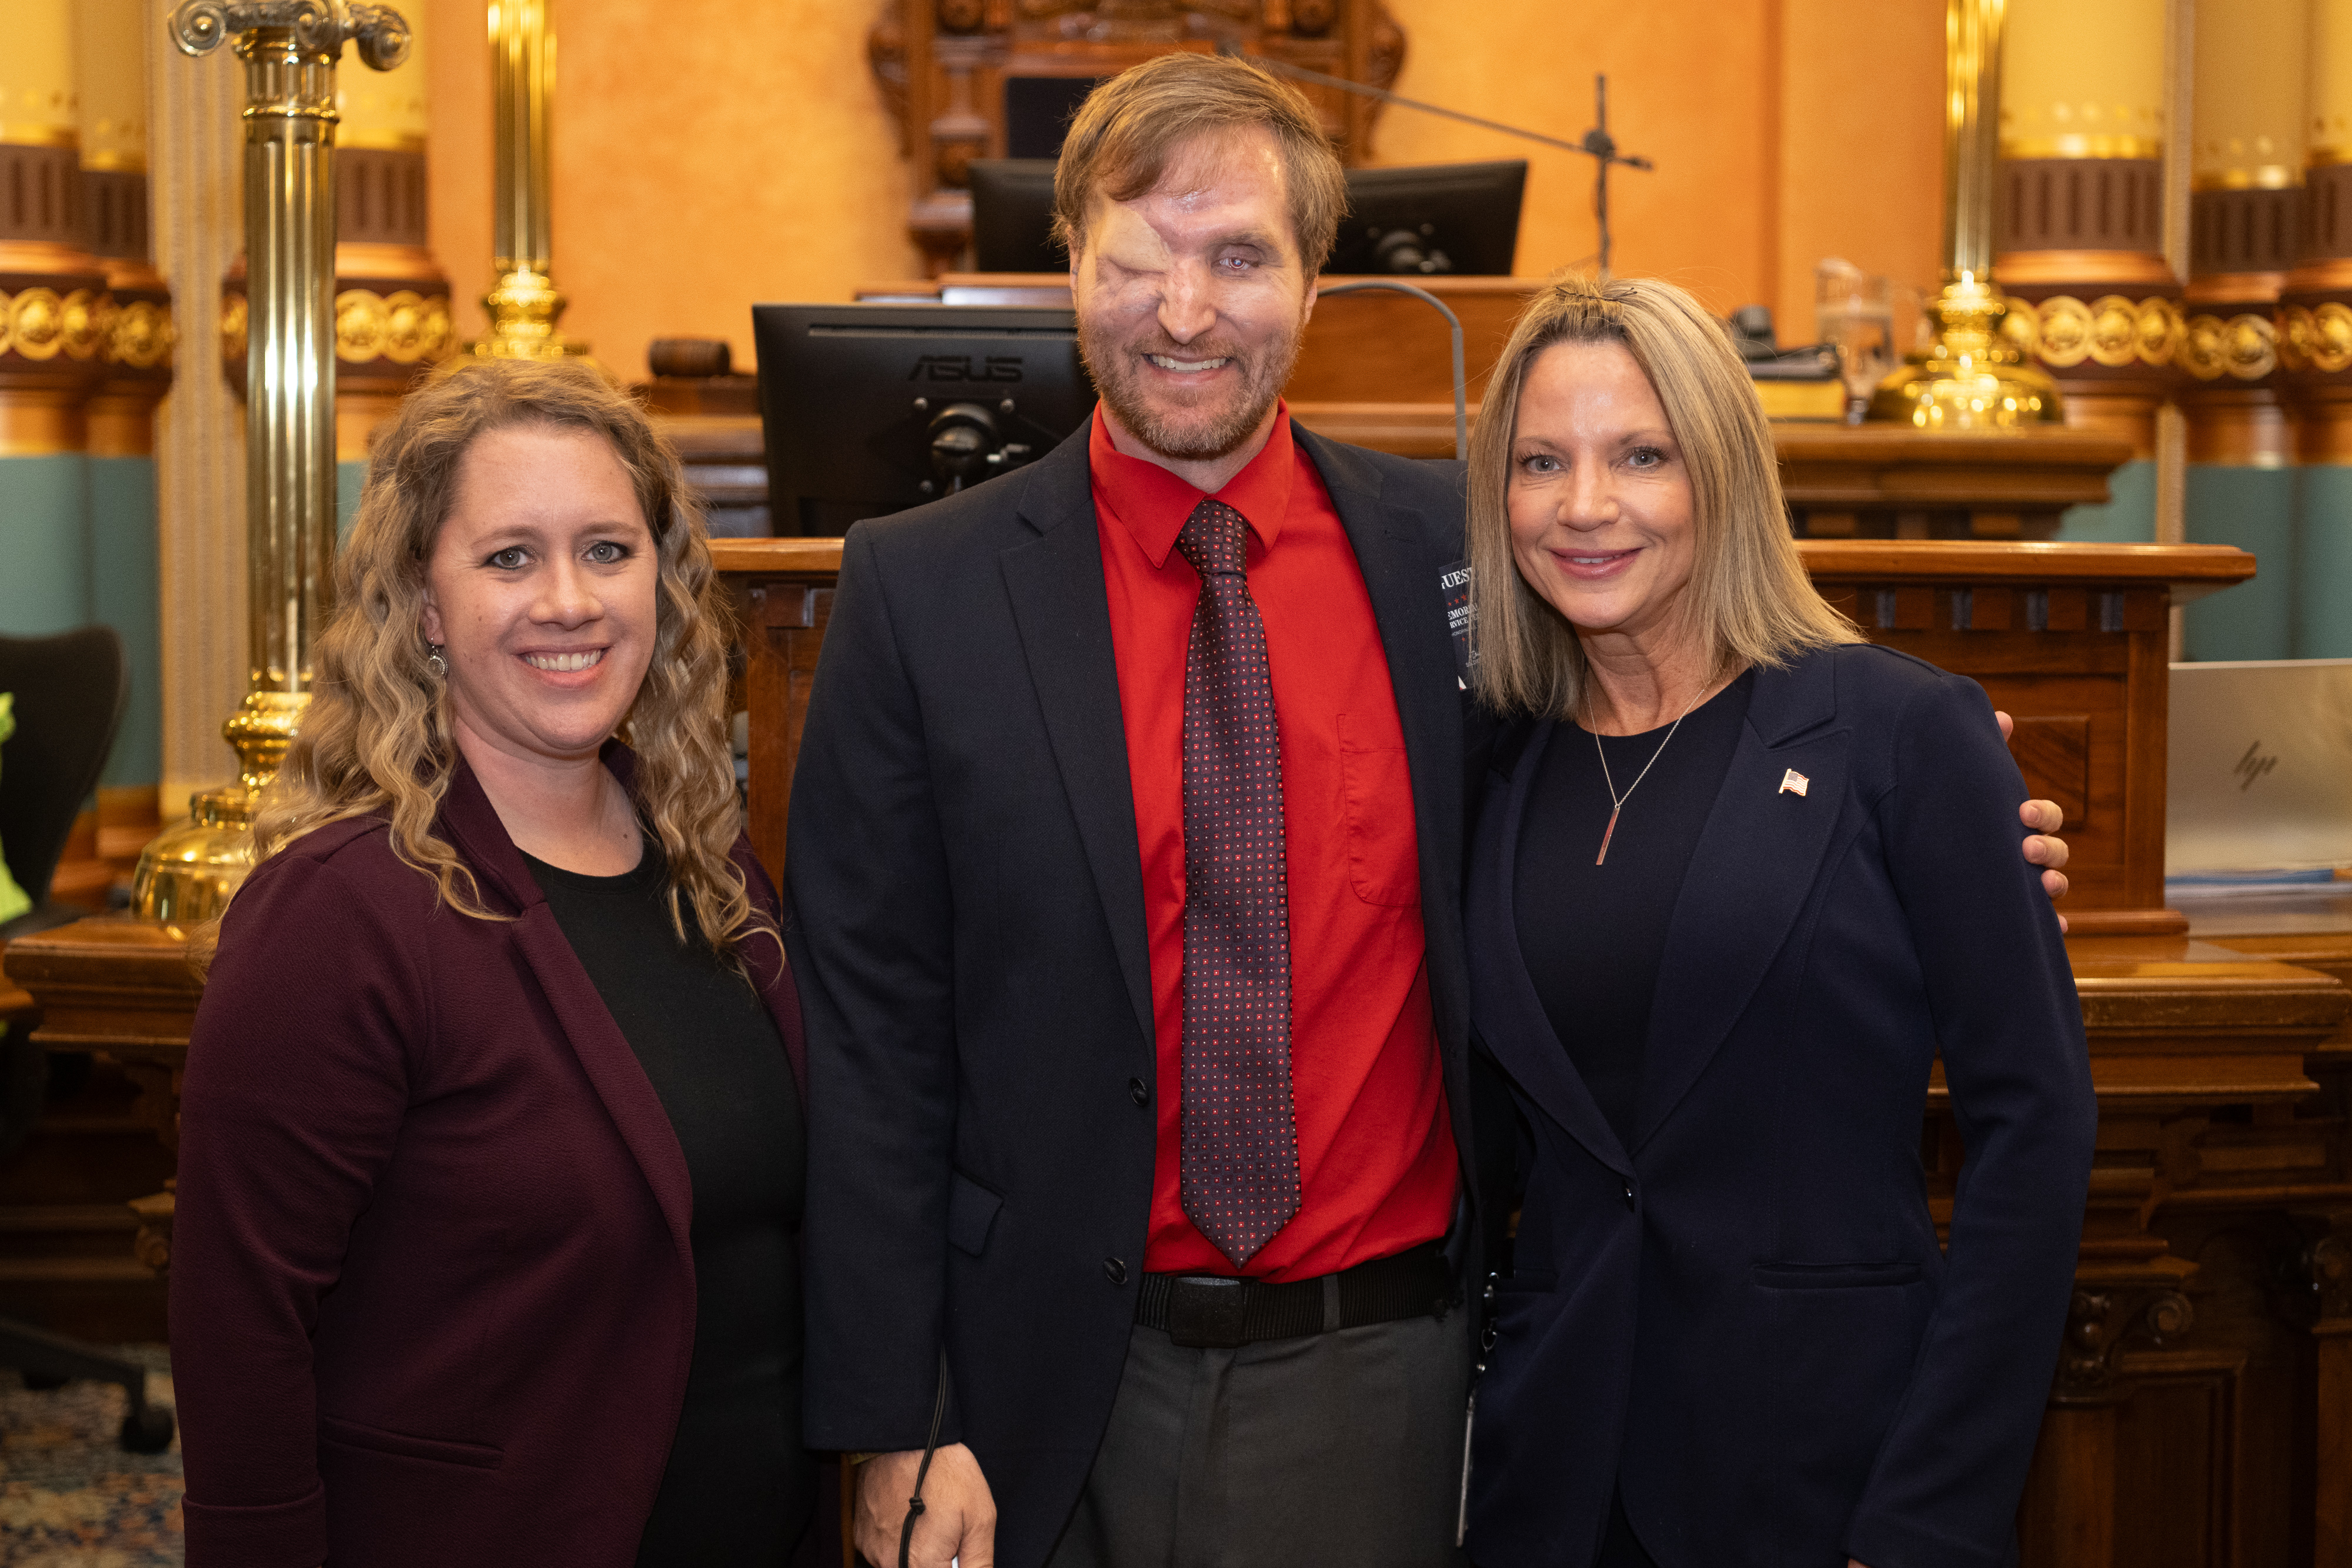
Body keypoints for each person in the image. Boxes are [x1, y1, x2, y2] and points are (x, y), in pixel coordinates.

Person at [1458, 274, 2097, 1568]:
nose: (1584, 505)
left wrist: (1927, 1517)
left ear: (1724, 475)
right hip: (1553, 1478)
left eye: (1642, 455)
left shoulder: (1900, 732)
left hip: (1827, 1469)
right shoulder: (1491, 762)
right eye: (1540, 461)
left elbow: (2036, 1127)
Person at [170, 358, 817, 1567]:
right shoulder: (339, 914)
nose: (569, 601)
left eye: (608, 551)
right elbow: (239, 1326)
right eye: (509, 557)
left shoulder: (710, 864)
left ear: (663, 582)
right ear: (425, 604)